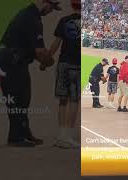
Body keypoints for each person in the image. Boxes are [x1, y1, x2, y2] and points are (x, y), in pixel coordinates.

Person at [0, 0, 60, 147]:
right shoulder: (33, 19)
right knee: (17, 98)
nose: (50, 11)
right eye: (51, 7)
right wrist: (48, 61)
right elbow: (40, 51)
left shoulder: (28, 14)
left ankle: (24, 133)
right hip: (11, 60)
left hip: (13, 58)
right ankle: (16, 137)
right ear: (45, 2)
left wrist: (43, 59)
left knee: (23, 96)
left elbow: (34, 49)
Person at [48, 0, 81, 148]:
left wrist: (46, 60)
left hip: (63, 62)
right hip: (78, 64)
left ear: (71, 5)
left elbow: (56, 43)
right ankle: (68, 135)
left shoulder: (63, 20)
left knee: (63, 99)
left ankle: (61, 135)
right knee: (74, 100)